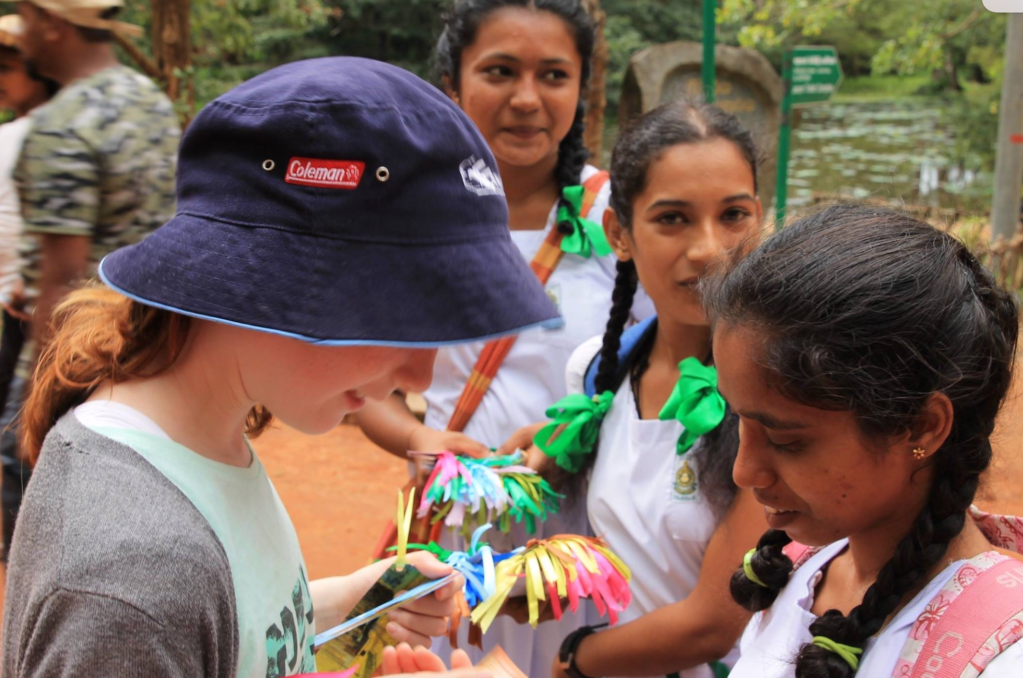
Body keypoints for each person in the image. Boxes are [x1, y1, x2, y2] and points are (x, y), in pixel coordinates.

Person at [1, 57, 558, 678]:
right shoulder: (133, 572)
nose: (420, 377)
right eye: (403, 318)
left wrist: (346, 604)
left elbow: (224, 630)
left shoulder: (200, 447)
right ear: (269, 278)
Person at [355, 1, 650, 674]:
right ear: (453, 86)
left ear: (581, 87)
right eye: (499, 71)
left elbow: (683, 358)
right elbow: (350, 379)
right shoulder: (410, 216)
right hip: (457, 540)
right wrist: (415, 439)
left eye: (553, 75)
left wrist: (580, 436)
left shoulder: (623, 217)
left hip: (587, 542)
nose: (526, 98)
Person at [705, 204, 1023, 677]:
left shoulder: (999, 654)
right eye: (739, 421)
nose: (744, 471)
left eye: (787, 440)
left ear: (922, 426)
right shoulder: (799, 568)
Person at [521, 101, 768, 678]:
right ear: (619, 233)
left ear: (760, 217)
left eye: (733, 214)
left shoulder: (784, 397)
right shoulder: (598, 372)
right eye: (673, 218)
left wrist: (576, 659)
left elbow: (716, 620)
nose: (709, 248)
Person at [0, 0, 179, 556]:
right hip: (155, 339)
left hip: (83, 350)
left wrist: (40, 401)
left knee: (20, 465)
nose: (21, 34)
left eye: (25, 19)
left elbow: (62, 276)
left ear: (52, 25)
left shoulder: (62, 123)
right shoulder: (150, 101)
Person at [0, 13, 55, 558]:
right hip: (17, 309)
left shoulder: (49, 134)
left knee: (18, 440)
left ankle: (26, 556)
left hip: (43, 314)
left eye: (10, 63)